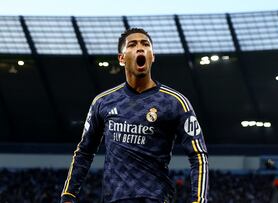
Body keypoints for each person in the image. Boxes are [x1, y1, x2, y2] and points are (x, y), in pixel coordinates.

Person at [60, 28, 209, 203]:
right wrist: (68, 195)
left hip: (155, 198)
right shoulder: (103, 102)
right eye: (132, 44)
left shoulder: (175, 102)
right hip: (113, 199)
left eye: (146, 44)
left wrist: (199, 200)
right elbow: (84, 152)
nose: (140, 48)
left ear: (152, 56)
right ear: (121, 59)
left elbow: (198, 155)